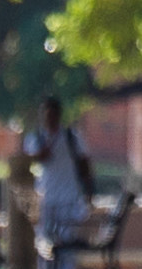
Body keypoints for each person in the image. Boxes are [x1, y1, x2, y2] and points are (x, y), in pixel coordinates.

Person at [22, 97, 96, 257]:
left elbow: (85, 164)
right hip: (45, 196)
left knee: (67, 239)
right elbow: (30, 160)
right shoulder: (35, 139)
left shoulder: (72, 137)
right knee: (44, 239)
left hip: (68, 195)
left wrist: (89, 193)